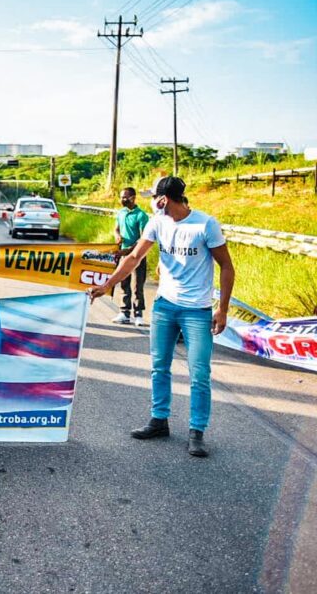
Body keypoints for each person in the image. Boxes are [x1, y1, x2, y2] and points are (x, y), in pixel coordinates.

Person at [89, 176, 235, 458]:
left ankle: (196, 431)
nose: (152, 202)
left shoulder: (205, 224)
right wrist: (108, 285)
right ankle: (159, 420)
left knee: (199, 373)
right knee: (159, 367)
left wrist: (223, 308)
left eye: (155, 197)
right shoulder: (157, 223)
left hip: (197, 310)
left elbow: (227, 266)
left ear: (164, 199)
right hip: (164, 306)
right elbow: (134, 257)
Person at [113, 187, 151, 326]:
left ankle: (138, 314)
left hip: (138, 254)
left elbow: (143, 238)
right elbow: (116, 229)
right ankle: (124, 312)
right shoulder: (121, 213)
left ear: (133, 198)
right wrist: (117, 236)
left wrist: (130, 250)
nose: (122, 199)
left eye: (125, 197)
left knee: (137, 285)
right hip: (123, 254)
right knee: (124, 283)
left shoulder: (141, 215)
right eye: (121, 197)